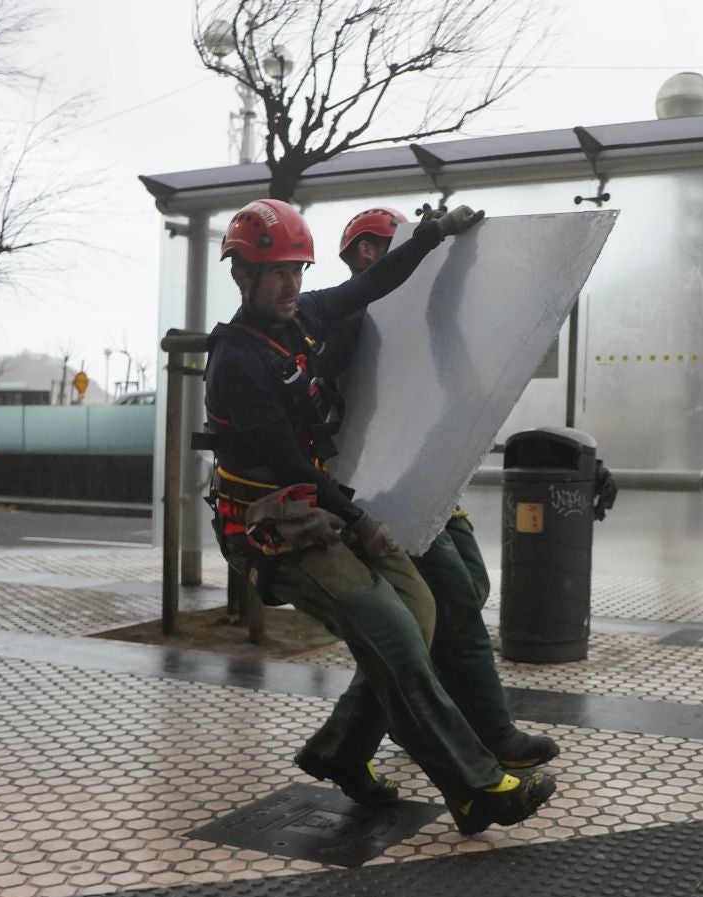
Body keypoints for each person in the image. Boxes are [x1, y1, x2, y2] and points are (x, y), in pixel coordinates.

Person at [202, 198, 554, 835]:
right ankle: (476, 789)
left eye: (297, 269)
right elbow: (289, 467)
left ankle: (340, 750)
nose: (292, 284)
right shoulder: (236, 363)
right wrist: (361, 521)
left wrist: (431, 238)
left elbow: (372, 282)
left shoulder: (305, 316)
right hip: (269, 528)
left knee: (418, 616)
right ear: (241, 277)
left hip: (319, 508)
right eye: (276, 271)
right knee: (391, 632)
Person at [331, 206, 560, 770]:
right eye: (402, 245)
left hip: (420, 479)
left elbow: (442, 339)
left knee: (463, 592)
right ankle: (490, 731)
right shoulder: (349, 315)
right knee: (452, 600)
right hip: (378, 487)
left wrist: (461, 261)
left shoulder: (397, 315)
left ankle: (367, 735)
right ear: (368, 251)